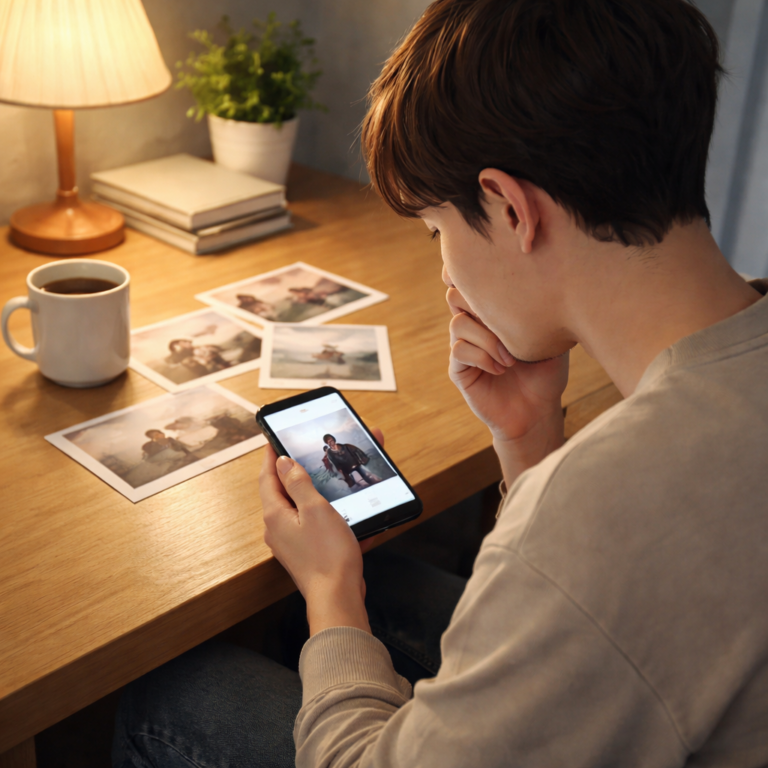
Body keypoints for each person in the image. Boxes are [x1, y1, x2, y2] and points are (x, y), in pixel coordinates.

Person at [113, 1, 768, 766]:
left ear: (509, 207)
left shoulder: (597, 513)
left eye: (436, 233)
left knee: (175, 691)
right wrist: (529, 440)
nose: (447, 271)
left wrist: (329, 590)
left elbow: (579, 557)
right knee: (381, 584)